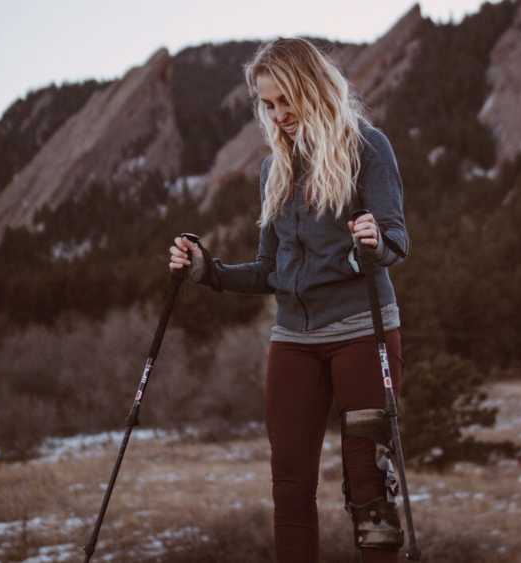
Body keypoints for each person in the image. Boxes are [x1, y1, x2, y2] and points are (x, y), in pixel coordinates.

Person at [169, 37, 410, 563]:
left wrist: (372, 241)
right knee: (290, 490)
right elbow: (270, 271)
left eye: (285, 101)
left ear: (313, 89)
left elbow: (396, 239)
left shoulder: (368, 148)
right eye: (267, 104)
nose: (277, 115)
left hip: (360, 331)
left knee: (368, 485)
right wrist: (208, 271)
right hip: (293, 340)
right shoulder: (272, 172)